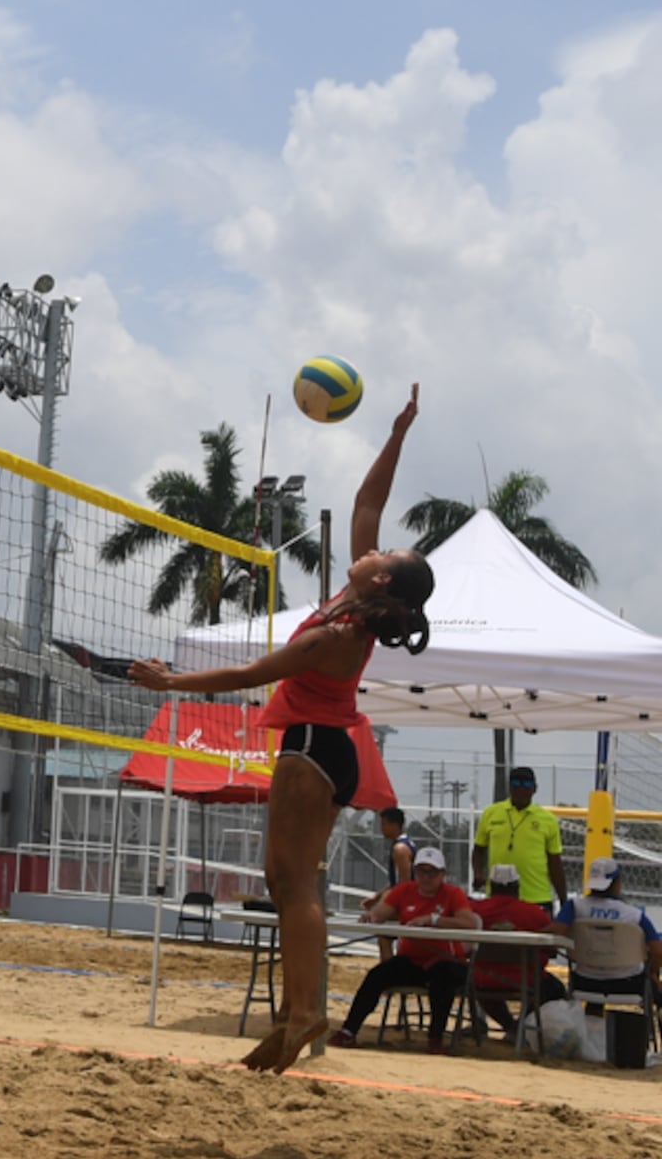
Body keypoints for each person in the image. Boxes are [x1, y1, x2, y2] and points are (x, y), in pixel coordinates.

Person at [129, 384, 434, 1074]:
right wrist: (396, 434)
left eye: (383, 555)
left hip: (314, 749)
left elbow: (252, 674)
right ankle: (299, 1008)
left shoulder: (340, 630)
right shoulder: (354, 601)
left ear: (382, 581)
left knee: (293, 884)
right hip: (333, 748)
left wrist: (171, 683)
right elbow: (367, 503)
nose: (372, 547)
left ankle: (304, 1009)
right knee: (289, 878)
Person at [328, 846, 479, 1054]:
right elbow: (380, 913)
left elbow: (470, 923)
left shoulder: (453, 894)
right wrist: (371, 916)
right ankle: (348, 1031)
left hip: (444, 961)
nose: (425, 878)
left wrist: (434, 920)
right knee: (376, 975)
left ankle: (435, 1039)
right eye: (421, 871)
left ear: (442, 874)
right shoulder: (404, 890)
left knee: (444, 980)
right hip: (411, 961)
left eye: (431, 872)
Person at [469, 863, 567, 1036]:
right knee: (554, 988)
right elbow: (551, 950)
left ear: (491, 885)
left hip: (483, 979)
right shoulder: (534, 913)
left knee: (480, 983)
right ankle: (521, 1028)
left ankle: (511, 1026)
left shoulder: (475, 911)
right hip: (525, 981)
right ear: (517, 887)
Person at [550, 857, 662, 1006]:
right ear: (617, 883)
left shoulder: (574, 907)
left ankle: (593, 1020)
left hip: (584, 981)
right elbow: (657, 951)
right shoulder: (634, 915)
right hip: (629, 984)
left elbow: (556, 933)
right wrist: (652, 973)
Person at [472, 766, 568, 914]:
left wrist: (563, 901)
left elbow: (555, 862)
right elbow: (479, 849)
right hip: (499, 896)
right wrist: (478, 873)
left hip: (536, 897)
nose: (521, 789)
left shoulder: (547, 819)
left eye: (527, 784)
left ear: (535, 789)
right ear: (509, 787)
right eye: (516, 784)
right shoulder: (491, 813)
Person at [361, 806, 416, 961]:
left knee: (385, 939)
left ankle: (388, 974)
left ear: (394, 825)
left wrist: (392, 907)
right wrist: (377, 897)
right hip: (405, 900)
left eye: (384, 824)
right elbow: (396, 882)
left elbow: (405, 884)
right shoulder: (401, 845)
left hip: (408, 903)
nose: (382, 829)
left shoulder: (400, 849)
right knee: (386, 938)